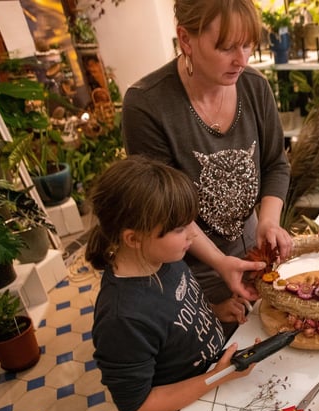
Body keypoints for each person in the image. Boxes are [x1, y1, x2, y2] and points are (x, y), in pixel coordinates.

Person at [122, 0, 293, 330]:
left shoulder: (255, 87)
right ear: (185, 38)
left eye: (247, 44)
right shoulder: (147, 105)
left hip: (251, 253)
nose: (242, 60)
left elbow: (275, 164)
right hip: (187, 268)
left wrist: (269, 223)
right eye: (226, 47)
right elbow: (167, 208)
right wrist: (218, 262)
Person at [86, 157, 257, 411]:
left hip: (212, 384)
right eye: (179, 228)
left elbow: (172, 318)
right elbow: (136, 407)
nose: (192, 233)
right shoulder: (121, 318)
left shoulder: (164, 258)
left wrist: (214, 311)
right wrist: (216, 377)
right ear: (133, 238)